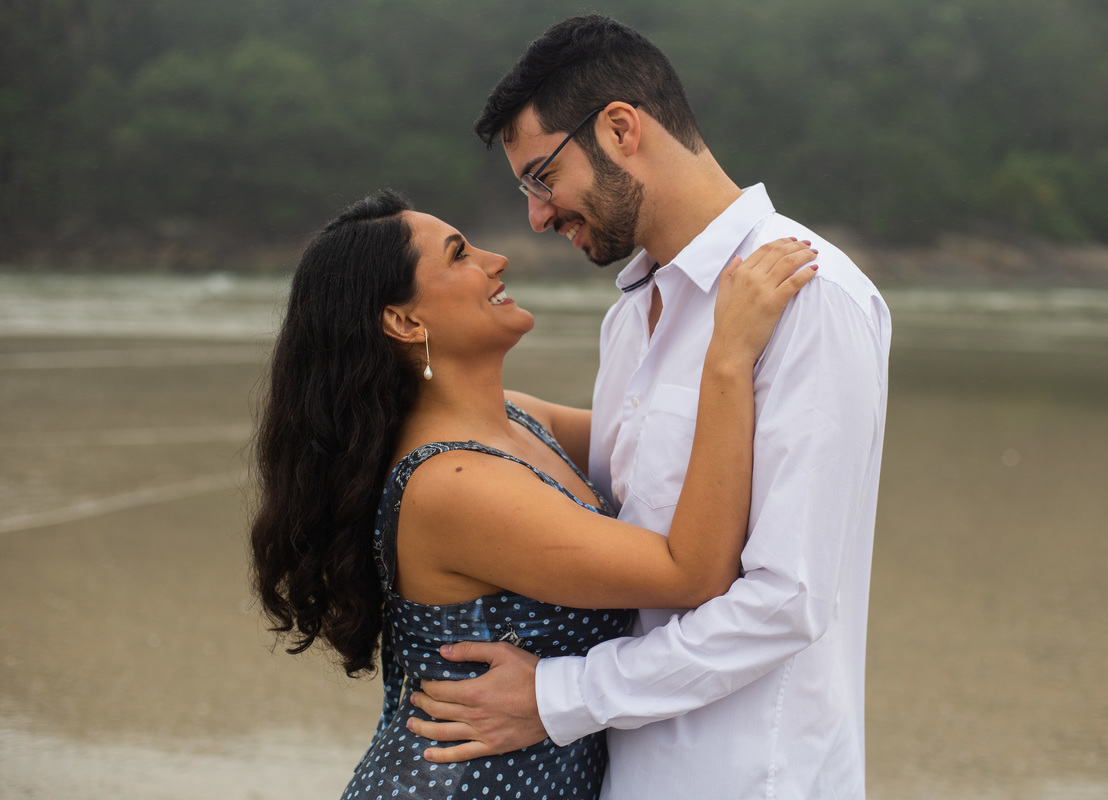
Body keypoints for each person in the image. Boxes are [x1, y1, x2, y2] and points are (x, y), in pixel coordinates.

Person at [405, 15, 892, 800]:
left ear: (621, 129)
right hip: (623, 773)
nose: (537, 216)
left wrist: (557, 696)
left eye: (542, 177)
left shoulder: (810, 297)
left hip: (750, 777)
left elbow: (787, 601)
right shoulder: (630, 317)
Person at [248, 189, 818, 799]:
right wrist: (727, 355)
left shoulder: (517, 419)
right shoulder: (453, 484)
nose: (497, 260)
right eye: (460, 254)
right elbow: (692, 572)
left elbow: (667, 446)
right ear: (405, 322)